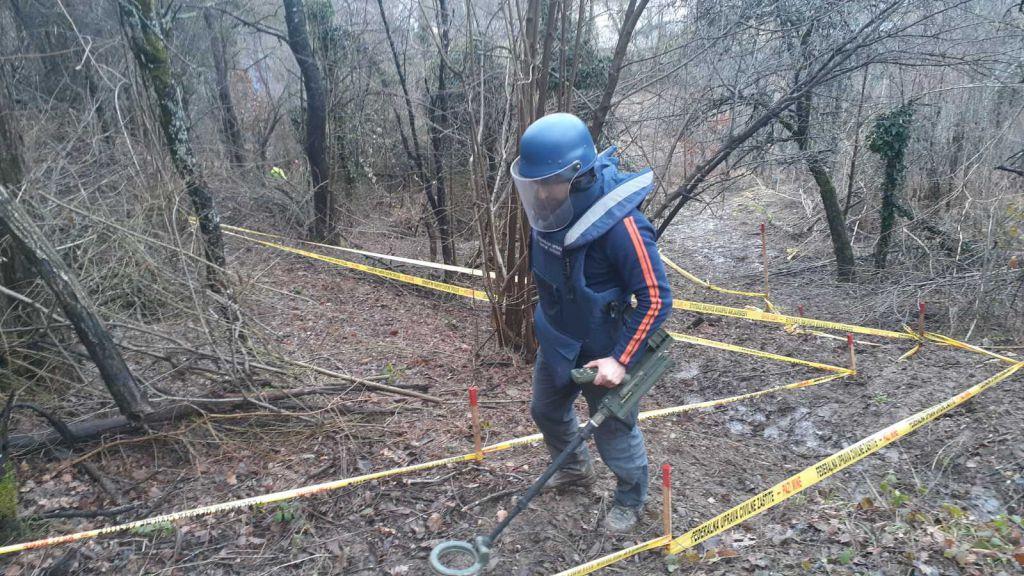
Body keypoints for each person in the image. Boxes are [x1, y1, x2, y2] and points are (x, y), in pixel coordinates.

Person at [510, 113, 673, 532]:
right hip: (558, 340)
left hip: (605, 351)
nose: (540, 193)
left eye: (548, 183)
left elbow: (656, 299)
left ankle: (630, 498)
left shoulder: (624, 227)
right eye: (535, 184)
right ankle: (575, 470)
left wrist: (620, 359)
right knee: (545, 410)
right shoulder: (548, 211)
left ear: (577, 175)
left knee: (614, 434)